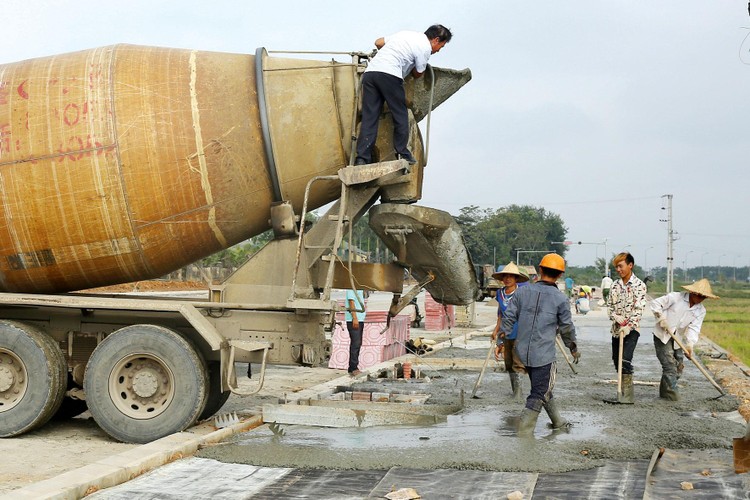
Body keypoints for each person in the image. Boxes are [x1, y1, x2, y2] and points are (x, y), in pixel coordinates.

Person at [501, 253, 580, 436]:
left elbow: (509, 317)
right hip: (544, 355)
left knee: (541, 387)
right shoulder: (560, 299)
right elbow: (567, 327)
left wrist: (500, 338)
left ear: (540, 269)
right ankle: (524, 433)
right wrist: (573, 347)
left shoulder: (522, 291)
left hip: (524, 353)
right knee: (539, 392)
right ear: (560, 275)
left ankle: (558, 422)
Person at [354, 25, 453, 166]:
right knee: (400, 114)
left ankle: (362, 158)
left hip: (371, 74)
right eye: (441, 47)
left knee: (370, 117)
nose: (438, 51)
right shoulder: (425, 48)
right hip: (390, 75)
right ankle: (402, 152)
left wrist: (393, 52)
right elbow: (418, 73)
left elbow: (378, 42)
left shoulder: (405, 34)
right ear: (436, 40)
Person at [650, 279, 719, 401]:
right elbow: (655, 303)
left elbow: (694, 329)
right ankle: (673, 397)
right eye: (698, 294)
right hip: (663, 334)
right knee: (669, 365)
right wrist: (661, 318)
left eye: (703, 296)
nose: (700, 298)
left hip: (678, 338)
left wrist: (690, 345)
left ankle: (665, 393)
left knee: (678, 367)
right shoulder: (676, 297)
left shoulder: (700, 311)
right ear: (692, 291)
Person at [607, 252, 647, 404]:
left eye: (621, 266)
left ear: (630, 265)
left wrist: (629, 326)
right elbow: (610, 307)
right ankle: (621, 390)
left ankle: (627, 396)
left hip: (632, 330)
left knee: (625, 360)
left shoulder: (639, 286)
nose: (618, 269)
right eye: (616, 266)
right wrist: (614, 317)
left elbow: (639, 309)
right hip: (616, 330)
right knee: (616, 360)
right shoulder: (614, 286)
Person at [490, 262, 529, 401]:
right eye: (505, 276)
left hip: (519, 332)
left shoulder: (521, 293)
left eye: (511, 277)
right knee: (508, 362)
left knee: (518, 362)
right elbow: (500, 313)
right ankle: (514, 390)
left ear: (516, 279)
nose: (508, 279)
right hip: (505, 333)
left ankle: (518, 393)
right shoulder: (500, 293)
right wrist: (496, 330)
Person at [346, 289, 367, 376]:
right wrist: (354, 317)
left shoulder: (359, 288)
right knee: (355, 343)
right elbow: (351, 302)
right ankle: (353, 367)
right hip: (354, 319)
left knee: (358, 343)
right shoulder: (351, 287)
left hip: (360, 318)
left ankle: (353, 367)